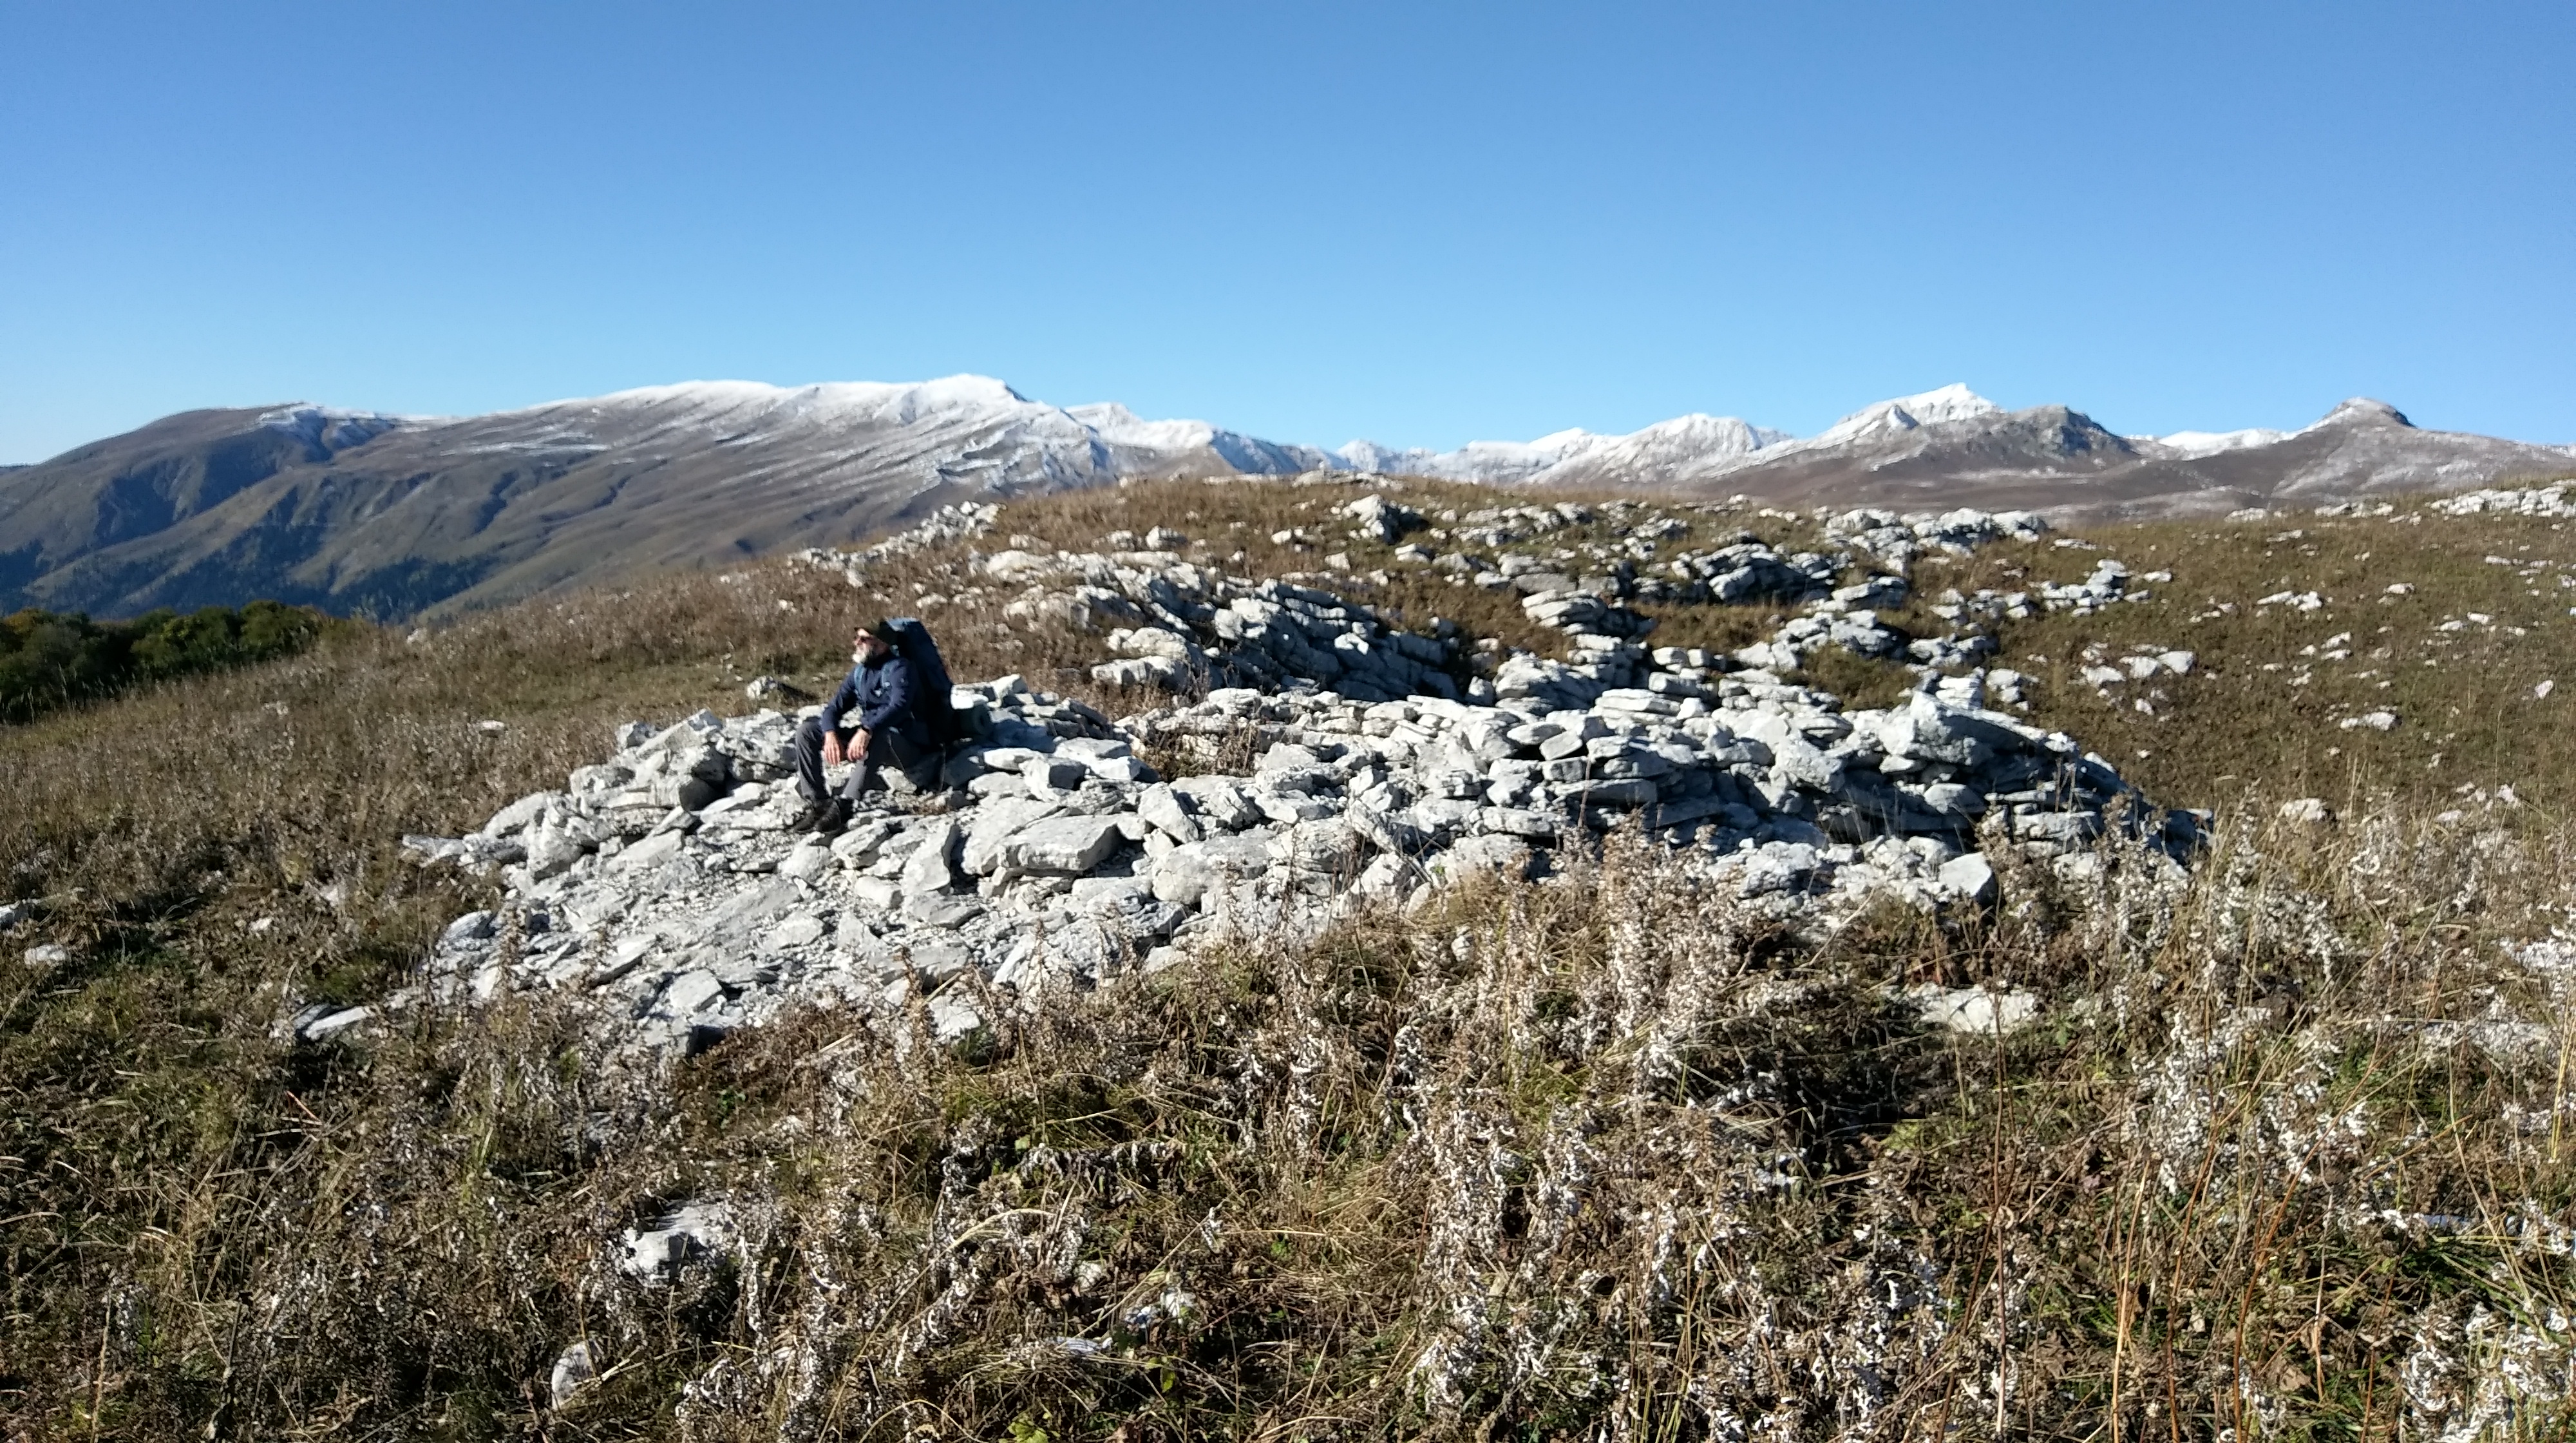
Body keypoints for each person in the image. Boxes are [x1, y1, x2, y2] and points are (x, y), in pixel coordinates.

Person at [791, 620, 940, 833]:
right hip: (873, 736)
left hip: (908, 744)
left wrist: (866, 729)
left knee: (880, 734)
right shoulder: (860, 672)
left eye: (864, 639)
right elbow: (834, 708)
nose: (856, 643)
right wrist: (830, 733)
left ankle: (846, 805)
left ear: (882, 644)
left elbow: (899, 706)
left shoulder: (901, 668)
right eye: (857, 638)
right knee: (807, 731)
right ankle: (818, 803)